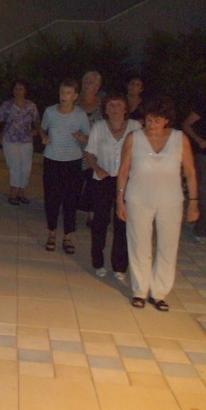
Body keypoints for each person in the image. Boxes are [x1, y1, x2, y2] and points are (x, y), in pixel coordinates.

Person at [117, 96, 199, 311]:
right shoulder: (134, 138)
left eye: (156, 120)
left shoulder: (179, 138)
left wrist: (193, 202)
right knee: (139, 244)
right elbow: (123, 170)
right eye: (148, 120)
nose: (151, 125)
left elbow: (190, 172)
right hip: (138, 198)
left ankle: (159, 292)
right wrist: (119, 199)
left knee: (168, 246)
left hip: (170, 200)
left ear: (166, 120)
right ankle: (140, 290)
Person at [84, 94, 141, 281]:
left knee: (122, 223)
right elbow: (89, 152)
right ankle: (98, 262)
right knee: (100, 222)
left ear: (125, 108)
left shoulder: (135, 127)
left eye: (118, 105)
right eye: (110, 105)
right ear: (105, 109)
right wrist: (97, 168)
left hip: (127, 181)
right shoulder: (99, 127)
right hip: (103, 179)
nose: (114, 108)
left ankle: (119, 265)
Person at [40, 78, 90, 255]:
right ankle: (52, 233)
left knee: (70, 200)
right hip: (52, 160)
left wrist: (82, 138)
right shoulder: (50, 111)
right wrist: (44, 136)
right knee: (51, 198)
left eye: (68, 93)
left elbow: (88, 137)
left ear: (75, 96)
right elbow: (43, 128)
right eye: (62, 92)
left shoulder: (80, 115)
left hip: (72, 162)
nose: (64, 96)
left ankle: (68, 236)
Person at [0, 80, 40, 205]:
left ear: (25, 91)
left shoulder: (31, 106)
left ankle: (21, 192)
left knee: (26, 167)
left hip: (26, 140)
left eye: (20, 89)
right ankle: (12, 192)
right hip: (10, 139)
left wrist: (36, 130)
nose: (18, 91)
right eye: (16, 89)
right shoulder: (7, 105)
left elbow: (36, 120)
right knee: (15, 166)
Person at [77, 71, 103, 226]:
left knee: (94, 184)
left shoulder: (103, 106)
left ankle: (91, 214)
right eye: (85, 80)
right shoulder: (74, 102)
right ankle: (70, 210)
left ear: (97, 87)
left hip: (95, 152)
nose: (87, 84)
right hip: (74, 150)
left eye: (91, 82)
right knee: (74, 182)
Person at [183, 100, 206, 244]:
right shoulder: (203, 105)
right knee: (203, 192)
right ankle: (201, 229)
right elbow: (186, 124)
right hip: (203, 155)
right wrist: (199, 140)